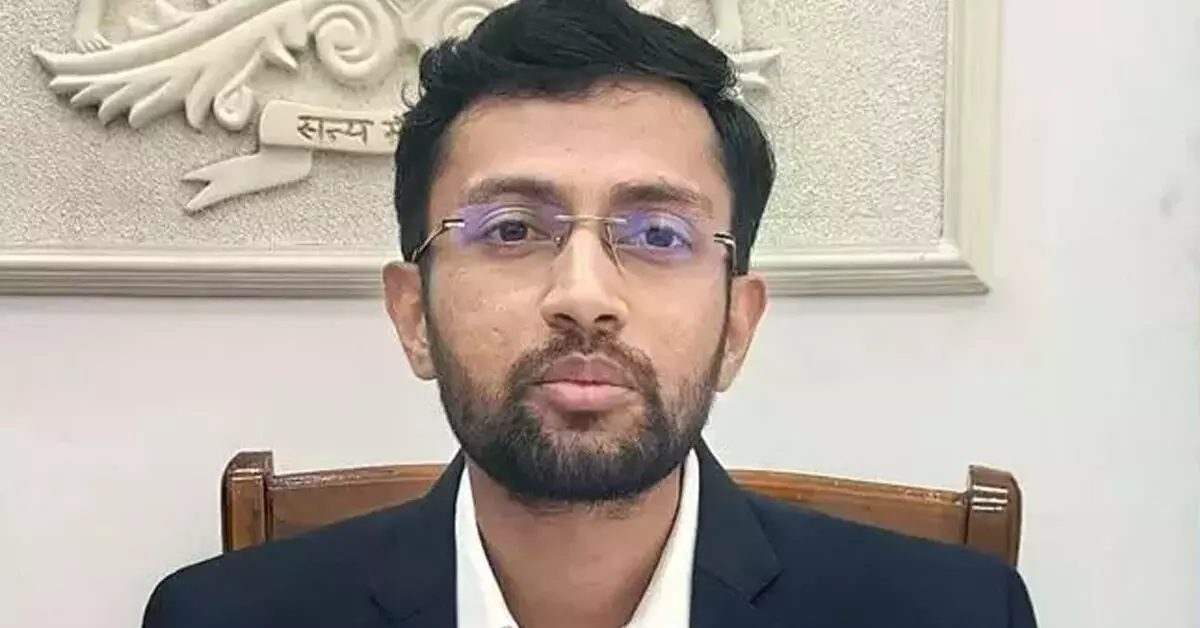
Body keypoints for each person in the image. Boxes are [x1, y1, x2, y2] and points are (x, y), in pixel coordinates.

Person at [142, 1, 1038, 626]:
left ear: (737, 325)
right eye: (511, 228)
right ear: (413, 315)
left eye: (657, 233)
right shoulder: (217, 618)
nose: (583, 296)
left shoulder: (955, 614)